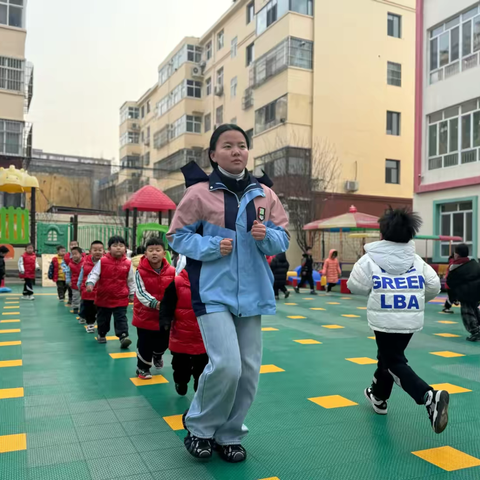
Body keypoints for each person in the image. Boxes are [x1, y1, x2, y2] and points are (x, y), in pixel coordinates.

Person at [168, 124, 289, 463]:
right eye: (227, 146)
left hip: (253, 294)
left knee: (249, 369)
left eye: (241, 145)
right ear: (213, 154)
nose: (236, 151)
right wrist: (209, 245)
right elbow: (176, 237)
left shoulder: (265, 194)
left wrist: (266, 237)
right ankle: (199, 428)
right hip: (212, 293)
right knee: (227, 366)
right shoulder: (198, 194)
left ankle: (229, 433)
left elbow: (283, 237)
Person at [347, 208, 449, 434]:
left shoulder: (370, 258)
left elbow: (355, 285)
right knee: (388, 357)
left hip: (383, 321)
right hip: (410, 320)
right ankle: (378, 397)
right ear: (410, 235)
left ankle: (428, 396)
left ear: (382, 234)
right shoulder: (417, 260)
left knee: (393, 363)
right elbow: (434, 286)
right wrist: (416, 300)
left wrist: (377, 292)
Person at [160, 254, 208, 396]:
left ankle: (199, 386)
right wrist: (165, 321)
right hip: (181, 334)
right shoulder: (177, 283)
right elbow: (166, 305)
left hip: (203, 334)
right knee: (181, 365)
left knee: (203, 365)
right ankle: (180, 381)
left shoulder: (211, 284)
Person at [133, 237, 175, 379]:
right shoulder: (139, 271)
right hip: (144, 315)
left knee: (163, 342)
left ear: (164, 253)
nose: (154, 253)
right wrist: (155, 303)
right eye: (150, 250)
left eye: (158, 250)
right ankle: (142, 368)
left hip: (164, 316)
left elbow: (176, 289)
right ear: (145, 254)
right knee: (145, 343)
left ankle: (157, 355)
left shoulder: (173, 271)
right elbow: (140, 291)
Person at [86, 236, 134, 349]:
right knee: (103, 318)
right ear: (108, 248)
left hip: (120, 297)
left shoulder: (128, 263)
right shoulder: (102, 261)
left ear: (125, 249)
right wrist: (90, 283)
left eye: (121, 246)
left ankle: (123, 336)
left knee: (121, 318)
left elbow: (131, 280)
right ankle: (102, 334)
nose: (118, 248)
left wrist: (132, 293)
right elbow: (94, 274)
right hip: (104, 298)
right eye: (115, 246)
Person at [446, 243, 480, 342]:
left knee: (467, 312)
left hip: (465, 293)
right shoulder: (474, 264)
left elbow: (451, 282)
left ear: (456, 254)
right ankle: (477, 328)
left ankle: (475, 331)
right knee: (475, 310)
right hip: (477, 292)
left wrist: (454, 296)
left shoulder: (454, 267)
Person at [78, 240, 104, 333]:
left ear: (104, 251)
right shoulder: (85, 263)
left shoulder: (106, 263)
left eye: (100, 250)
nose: (97, 252)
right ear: (90, 251)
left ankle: (100, 325)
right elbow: (81, 275)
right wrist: (80, 285)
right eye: (95, 250)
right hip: (88, 292)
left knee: (101, 310)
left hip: (101, 292)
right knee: (89, 310)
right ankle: (90, 324)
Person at [68, 246, 84, 315]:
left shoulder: (85, 262)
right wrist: (68, 281)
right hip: (74, 283)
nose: (74, 255)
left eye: (76, 254)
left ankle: (83, 309)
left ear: (80, 254)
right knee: (75, 296)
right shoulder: (70, 264)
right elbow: (68, 273)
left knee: (83, 297)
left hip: (83, 283)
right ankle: (75, 307)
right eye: (72, 254)